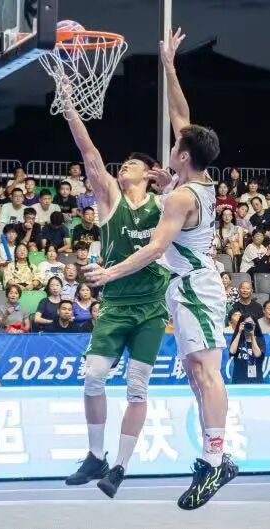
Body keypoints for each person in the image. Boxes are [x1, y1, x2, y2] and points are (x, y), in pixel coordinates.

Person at [86, 28, 237, 509]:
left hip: (194, 285)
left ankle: (215, 461)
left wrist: (109, 274)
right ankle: (214, 456)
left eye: (176, 146)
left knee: (207, 373)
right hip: (185, 286)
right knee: (195, 372)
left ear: (183, 157)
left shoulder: (179, 197)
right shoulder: (196, 179)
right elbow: (182, 117)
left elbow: (153, 250)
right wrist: (170, 66)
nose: (172, 143)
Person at [56, 66, 172, 502]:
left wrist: (173, 183)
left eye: (133, 164)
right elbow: (88, 151)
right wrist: (70, 105)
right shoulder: (109, 198)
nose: (124, 166)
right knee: (93, 377)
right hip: (117, 305)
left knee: (137, 387)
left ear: (149, 173)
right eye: (122, 164)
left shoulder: (167, 204)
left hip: (152, 308)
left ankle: (120, 466)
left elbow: (193, 194)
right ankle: (95, 456)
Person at [229, 314, 265, 383]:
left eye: (251, 324)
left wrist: (252, 336)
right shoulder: (238, 339)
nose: (248, 325)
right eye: (246, 323)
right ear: (241, 324)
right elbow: (232, 351)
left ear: (255, 325)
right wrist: (239, 332)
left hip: (256, 381)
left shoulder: (260, 339)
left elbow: (257, 354)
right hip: (239, 380)